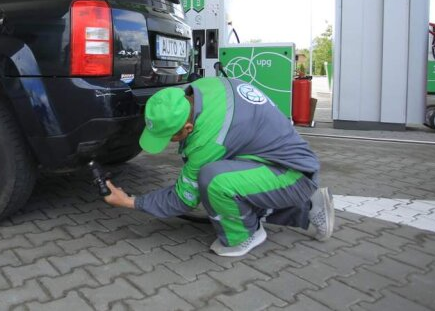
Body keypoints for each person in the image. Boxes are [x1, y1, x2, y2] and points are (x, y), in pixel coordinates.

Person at [104, 77, 335, 257]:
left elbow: (183, 199)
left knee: (213, 181)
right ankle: (309, 208)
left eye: (170, 137)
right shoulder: (200, 88)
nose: (167, 143)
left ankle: (244, 236)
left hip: (293, 175)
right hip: (280, 162)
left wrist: (130, 202)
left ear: (187, 128)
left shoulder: (210, 138)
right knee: (222, 183)